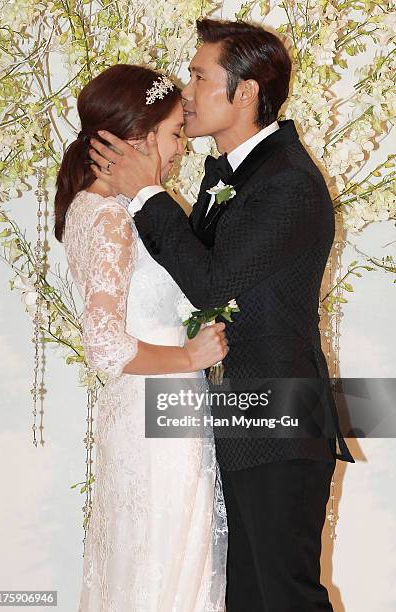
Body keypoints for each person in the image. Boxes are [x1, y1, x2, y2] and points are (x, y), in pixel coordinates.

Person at [88, 18, 356, 612]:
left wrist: (146, 195)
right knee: (247, 600)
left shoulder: (289, 182)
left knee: (284, 598)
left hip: (282, 420)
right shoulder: (228, 177)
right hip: (236, 420)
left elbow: (212, 286)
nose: (186, 92)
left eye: (199, 76)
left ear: (246, 92)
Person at [54, 64, 228, 611]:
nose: (179, 148)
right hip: (159, 415)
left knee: (154, 564)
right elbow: (104, 344)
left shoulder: (98, 207)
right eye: (175, 133)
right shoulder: (108, 217)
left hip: (149, 410)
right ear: (140, 137)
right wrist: (190, 354)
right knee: (167, 568)